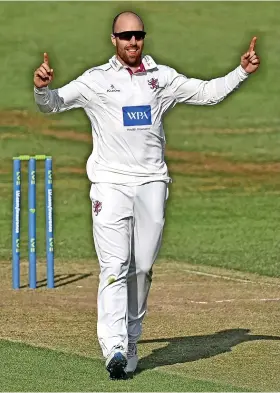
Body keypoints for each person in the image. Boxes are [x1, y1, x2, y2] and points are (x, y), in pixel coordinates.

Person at [33, 11, 260, 380]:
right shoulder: (96, 80)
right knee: (114, 266)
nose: (133, 42)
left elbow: (206, 93)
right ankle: (114, 347)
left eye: (138, 35)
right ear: (113, 40)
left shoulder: (161, 78)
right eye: (125, 36)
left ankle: (133, 339)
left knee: (141, 267)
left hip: (152, 182)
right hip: (109, 184)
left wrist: (241, 73)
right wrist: (41, 88)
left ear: (144, 37)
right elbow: (53, 104)